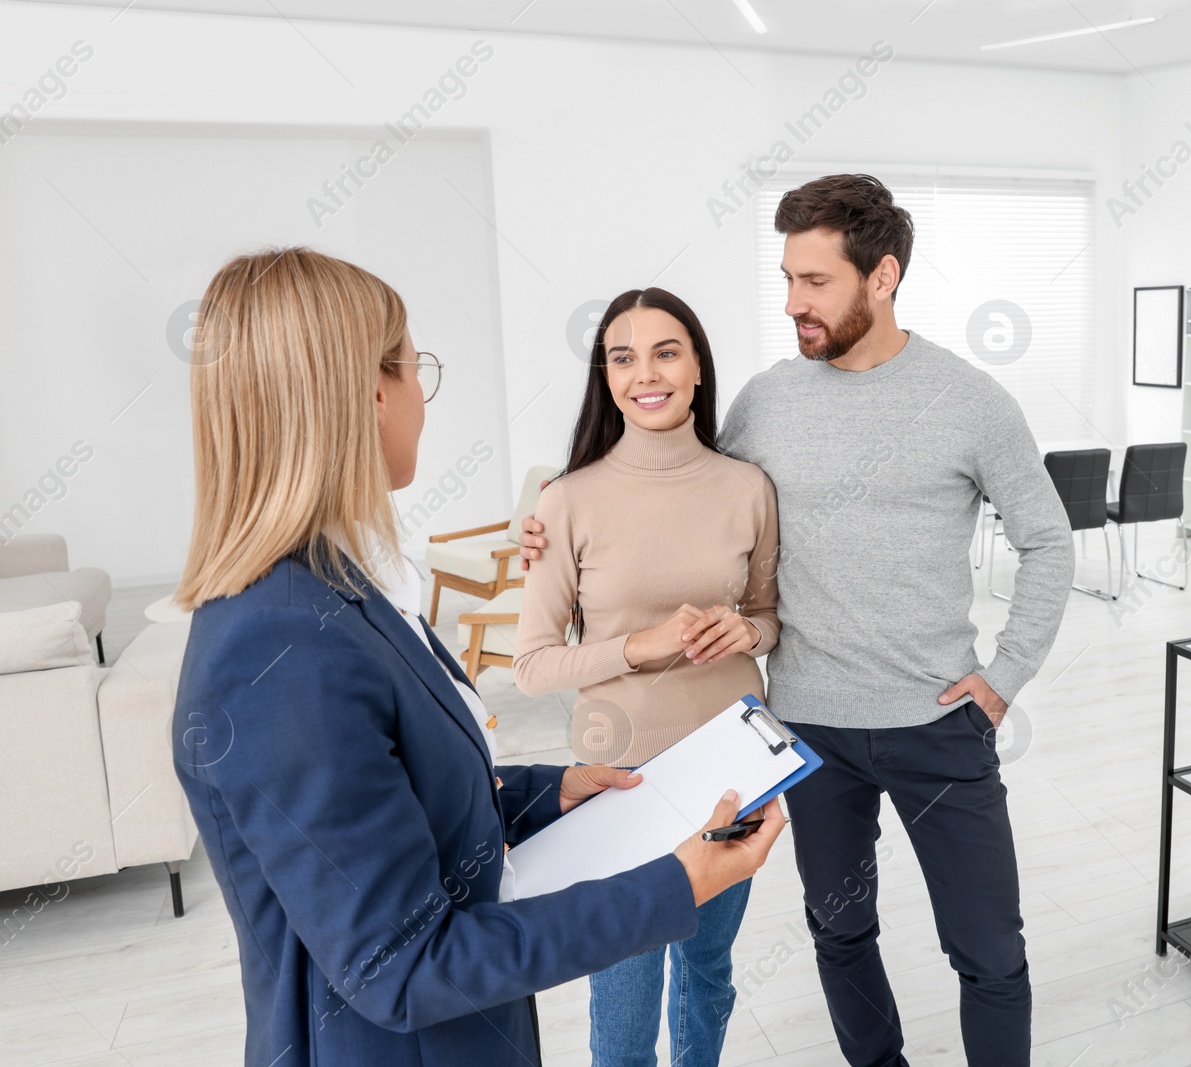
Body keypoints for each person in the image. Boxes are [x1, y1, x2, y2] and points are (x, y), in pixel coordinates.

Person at [170, 248, 784, 1067]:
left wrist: (547, 791)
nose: (422, 397)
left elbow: (399, 802)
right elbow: (403, 964)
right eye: (414, 366)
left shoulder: (343, 587)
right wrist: (677, 884)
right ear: (369, 392)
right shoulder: (278, 645)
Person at [521, 175, 1074, 1066]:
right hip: (805, 729)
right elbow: (683, 492)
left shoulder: (970, 401)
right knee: (840, 933)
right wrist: (547, 520)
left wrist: (1003, 678)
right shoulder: (768, 400)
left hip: (940, 723)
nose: (793, 304)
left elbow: (1050, 541)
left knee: (989, 954)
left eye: (814, 282)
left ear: (883, 275)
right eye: (785, 279)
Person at [512, 287, 780, 1067]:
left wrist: (748, 629)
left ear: (698, 366)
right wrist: (642, 645)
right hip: (621, 780)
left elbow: (769, 613)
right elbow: (531, 666)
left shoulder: (747, 487)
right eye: (622, 357)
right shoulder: (565, 501)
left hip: (734, 767)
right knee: (625, 1000)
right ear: (606, 377)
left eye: (666, 351)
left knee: (709, 972)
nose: (645, 373)